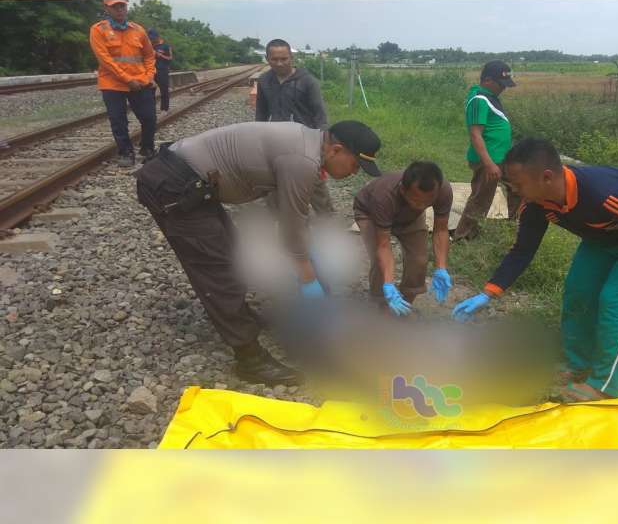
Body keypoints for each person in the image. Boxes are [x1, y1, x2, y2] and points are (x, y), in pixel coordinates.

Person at [452, 138, 618, 402]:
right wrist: (489, 292)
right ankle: (577, 363)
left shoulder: (605, 194)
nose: (513, 190)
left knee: (616, 299)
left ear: (546, 177)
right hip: (605, 234)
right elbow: (523, 250)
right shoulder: (536, 205)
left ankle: (604, 385)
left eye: (517, 184)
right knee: (579, 290)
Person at [133, 119, 382, 385]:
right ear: (336, 149)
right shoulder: (302, 160)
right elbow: (291, 228)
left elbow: (291, 214)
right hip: (174, 185)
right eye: (355, 165)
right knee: (217, 273)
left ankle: (243, 316)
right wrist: (309, 280)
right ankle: (249, 358)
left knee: (231, 255)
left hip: (194, 184)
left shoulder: (307, 145)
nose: (355, 173)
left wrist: (309, 257)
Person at [353, 161, 454, 316]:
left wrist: (441, 267)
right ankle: (382, 304)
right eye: (416, 200)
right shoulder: (384, 195)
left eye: (428, 202)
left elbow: (441, 230)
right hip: (370, 213)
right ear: (402, 190)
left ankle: (404, 304)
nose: (422, 206)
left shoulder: (443, 190)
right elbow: (384, 245)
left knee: (419, 260)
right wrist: (388, 283)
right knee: (380, 264)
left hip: (409, 217)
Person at [255, 39, 333, 216]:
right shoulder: (264, 81)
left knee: (315, 183)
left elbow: (320, 116)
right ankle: (278, 220)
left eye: (284, 58)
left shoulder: (308, 82)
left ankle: (327, 219)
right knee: (272, 181)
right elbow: (260, 114)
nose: (280, 63)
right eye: (274, 59)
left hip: (305, 142)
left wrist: (322, 146)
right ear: (267, 59)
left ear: (291, 57)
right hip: (275, 141)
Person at [452, 60, 522, 241]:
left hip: (503, 158)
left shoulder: (491, 98)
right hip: (488, 160)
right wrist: (489, 164)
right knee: (481, 198)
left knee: (518, 189)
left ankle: (511, 226)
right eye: (501, 84)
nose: (504, 88)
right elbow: (475, 134)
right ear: (488, 80)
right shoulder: (478, 100)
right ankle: (463, 236)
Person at [89, 0, 157, 167]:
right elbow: (105, 60)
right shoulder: (98, 30)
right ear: (106, 8)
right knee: (118, 121)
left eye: (122, 6)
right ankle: (125, 152)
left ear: (126, 7)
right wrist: (128, 79)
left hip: (140, 82)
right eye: (115, 7)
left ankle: (147, 148)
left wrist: (149, 76)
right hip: (112, 84)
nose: (119, 9)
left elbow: (149, 55)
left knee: (149, 118)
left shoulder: (138, 30)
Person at [148, 28, 172, 112]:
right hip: (151, 71)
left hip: (162, 71)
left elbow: (170, 58)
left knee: (164, 91)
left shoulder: (166, 46)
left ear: (157, 37)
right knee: (150, 91)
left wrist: (160, 55)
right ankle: (151, 109)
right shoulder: (149, 45)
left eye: (153, 38)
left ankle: (165, 109)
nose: (152, 39)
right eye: (150, 38)